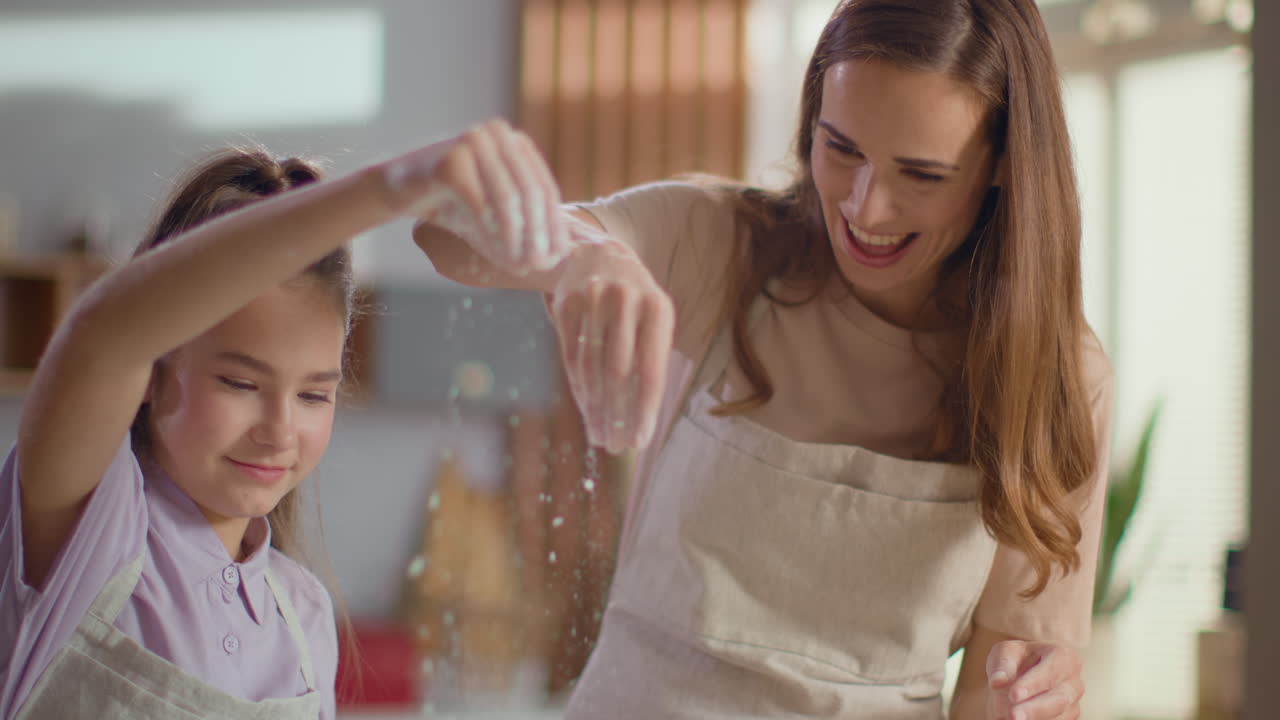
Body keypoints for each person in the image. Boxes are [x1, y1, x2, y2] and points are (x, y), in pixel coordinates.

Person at [412, 0, 1114, 718]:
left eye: (923, 175)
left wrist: (1029, 699)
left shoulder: (1055, 376)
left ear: (1002, 166)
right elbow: (446, 238)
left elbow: (995, 693)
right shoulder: (723, 242)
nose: (867, 210)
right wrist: (586, 254)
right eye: (841, 148)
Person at [0, 141, 482, 719]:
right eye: (240, 384)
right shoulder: (92, 528)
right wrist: (386, 191)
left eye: (312, 395)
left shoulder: (303, 612)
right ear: (152, 371)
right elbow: (100, 341)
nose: (280, 431)